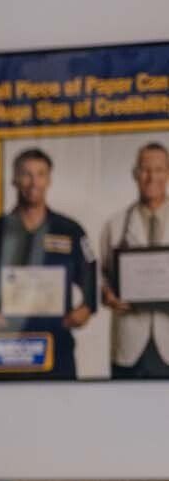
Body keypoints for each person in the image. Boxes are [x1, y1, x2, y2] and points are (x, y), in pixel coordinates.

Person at [0, 146, 97, 380]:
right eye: (26, 174)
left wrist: (86, 308)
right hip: (4, 352)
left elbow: (91, 275)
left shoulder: (70, 230)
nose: (34, 182)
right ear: (14, 179)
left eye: (41, 174)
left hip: (56, 348)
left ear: (49, 179)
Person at [98, 141, 169, 378]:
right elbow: (101, 275)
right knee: (125, 412)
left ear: (168, 173)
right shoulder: (115, 224)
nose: (151, 177)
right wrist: (106, 295)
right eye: (145, 169)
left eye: (159, 169)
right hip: (129, 342)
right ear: (135, 174)